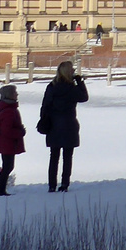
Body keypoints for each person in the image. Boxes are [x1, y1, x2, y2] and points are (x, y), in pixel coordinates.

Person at [36, 60, 89, 192]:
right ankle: (64, 184)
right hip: (69, 124)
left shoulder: (52, 87)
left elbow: (45, 106)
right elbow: (84, 97)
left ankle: (52, 185)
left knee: (53, 157)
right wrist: (80, 82)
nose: (74, 71)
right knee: (67, 157)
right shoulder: (72, 88)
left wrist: (44, 120)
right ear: (67, 72)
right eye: (72, 69)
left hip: (53, 125)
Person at [0, 84, 25, 197]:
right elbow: (6, 131)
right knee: (8, 167)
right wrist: (20, 133)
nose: (17, 94)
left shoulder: (5, 108)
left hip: (5, 143)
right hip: (7, 143)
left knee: (8, 166)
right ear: (10, 95)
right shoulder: (9, 111)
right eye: (15, 92)